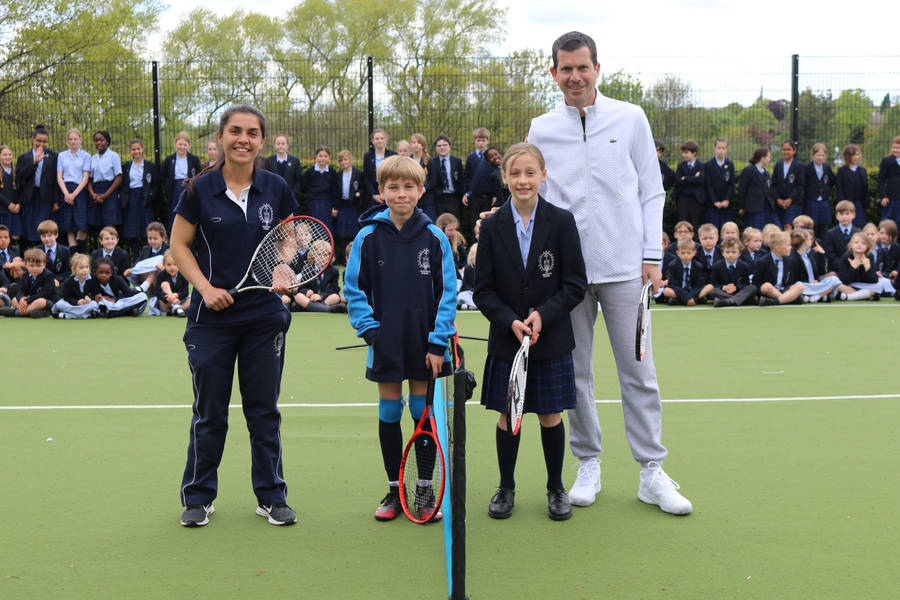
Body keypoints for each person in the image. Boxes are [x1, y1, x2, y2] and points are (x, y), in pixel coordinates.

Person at [527, 31, 691, 515]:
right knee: (574, 374)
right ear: (553, 72)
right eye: (565, 68)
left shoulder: (631, 117)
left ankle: (651, 472)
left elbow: (651, 190)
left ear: (598, 68)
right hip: (567, 277)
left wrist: (651, 256)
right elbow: (535, 198)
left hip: (626, 270)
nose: (574, 76)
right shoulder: (542, 128)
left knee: (639, 371)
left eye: (582, 67)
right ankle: (589, 462)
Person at [170, 104, 299, 528]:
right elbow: (179, 247)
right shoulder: (198, 189)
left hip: (264, 316)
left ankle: (272, 495)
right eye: (235, 131)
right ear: (222, 137)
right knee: (210, 412)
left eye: (252, 133)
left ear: (262, 141)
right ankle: (198, 496)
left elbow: (289, 239)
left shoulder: (277, 187)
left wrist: (284, 265)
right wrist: (205, 289)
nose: (243, 139)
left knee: (264, 411)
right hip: (211, 322)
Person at [473, 142, 586, 521]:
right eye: (515, 173)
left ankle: (556, 488)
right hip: (508, 340)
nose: (523, 180)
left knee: (550, 414)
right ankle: (506, 487)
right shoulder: (490, 226)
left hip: (550, 338)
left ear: (543, 175)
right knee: (509, 415)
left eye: (530, 172)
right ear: (504, 178)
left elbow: (574, 284)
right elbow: (483, 290)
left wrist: (542, 315)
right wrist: (510, 321)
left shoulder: (563, 221)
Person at [343, 155, 456, 522]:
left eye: (409, 187)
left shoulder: (435, 237)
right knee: (390, 410)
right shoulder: (368, 237)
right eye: (393, 187)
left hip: (425, 347)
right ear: (381, 192)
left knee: (421, 412)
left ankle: (424, 488)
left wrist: (438, 343)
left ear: (421, 191)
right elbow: (354, 289)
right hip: (386, 343)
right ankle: (395, 489)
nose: (401, 193)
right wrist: (370, 331)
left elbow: (448, 294)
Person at [16, 125, 58, 244]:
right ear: (33, 139)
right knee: (28, 226)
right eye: (39, 141)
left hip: (45, 197)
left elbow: (56, 179)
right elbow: (20, 175)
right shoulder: (24, 157)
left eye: (44, 142)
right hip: (29, 196)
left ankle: (42, 253)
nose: (41, 144)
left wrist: (56, 201)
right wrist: (34, 161)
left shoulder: (53, 156)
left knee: (43, 226)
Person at [121, 138, 159, 259]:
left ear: (142, 149)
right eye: (133, 149)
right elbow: (123, 184)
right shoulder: (126, 166)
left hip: (145, 199)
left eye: (138, 148)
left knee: (145, 230)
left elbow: (156, 184)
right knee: (133, 231)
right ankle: (136, 258)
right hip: (131, 199)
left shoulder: (150, 166)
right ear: (130, 151)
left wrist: (150, 196)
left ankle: (146, 258)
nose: (136, 151)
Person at [55, 128, 91, 252]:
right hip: (65, 191)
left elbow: (85, 177)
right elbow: (59, 176)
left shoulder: (86, 156)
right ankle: (74, 258)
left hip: (79, 191)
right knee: (69, 226)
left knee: (81, 225)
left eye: (75, 139)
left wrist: (74, 194)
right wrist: (66, 194)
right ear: (67, 141)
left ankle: (82, 255)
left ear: (80, 140)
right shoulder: (61, 155)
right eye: (70, 139)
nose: (73, 141)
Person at [284, 239, 344, 313]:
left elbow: (334, 289)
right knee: (299, 296)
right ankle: (327, 309)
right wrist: (307, 292)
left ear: (330, 257)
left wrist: (321, 296)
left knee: (336, 297)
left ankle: (311, 308)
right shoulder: (307, 269)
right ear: (313, 255)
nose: (322, 258)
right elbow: (301, 288)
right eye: (319, 254)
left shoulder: (333, 270)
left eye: (325, 255)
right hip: (309, 299)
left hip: (324, 298)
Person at [160, 131, 201, 230]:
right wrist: (168, 185)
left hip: (188, 188)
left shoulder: (194, 159)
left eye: (184, 145)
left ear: (189, 145)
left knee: (188, 211)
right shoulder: (169, 159)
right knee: (174, 212)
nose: (182, 147)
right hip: (174, 189)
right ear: (175, 144)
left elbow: (199, 175)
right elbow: (162, 176)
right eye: (180, 144)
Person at [790, 228, 842, 303]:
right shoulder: (792, 257)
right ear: (804, 241)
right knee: (799, 285)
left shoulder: (811, 254)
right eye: (809, 238)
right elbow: (793, 279)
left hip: (815, 285)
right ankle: (817, 296)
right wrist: (809, 283)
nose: (812, 240)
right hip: (804, 286)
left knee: (834, 279)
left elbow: (821, 272)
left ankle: (816, 297)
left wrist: (822, 254)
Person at [756, 231, 805, 306]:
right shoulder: (763, 261)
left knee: (800, 286)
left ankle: (776, 302)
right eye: (788, 245)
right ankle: (788, 299)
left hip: (784, 290)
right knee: (766, 286)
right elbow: (756, 282)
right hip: (771, 291)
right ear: (778, 248)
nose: (790, 247)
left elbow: (792, 281)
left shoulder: (790, 261)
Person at [87, 130, 123, 231]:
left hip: (110, 191)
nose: (98, 142)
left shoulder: (114, 156)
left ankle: (112, 245)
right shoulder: (93, 158)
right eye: (96, 140)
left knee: (110, 223)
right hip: (96, 191)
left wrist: (106, 195)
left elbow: (119, 177)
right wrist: (93, 194)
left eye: (101, 140)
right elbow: (89, 179)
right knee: (97, 223)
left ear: (107, 141)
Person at [333, 149, 363, 265]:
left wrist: (359, 193)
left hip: (353, 206)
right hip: (342, 206)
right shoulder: (338, 175)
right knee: (341, 233)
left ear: (350, 160)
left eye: (345, 159)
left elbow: (362, 188)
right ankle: (342, 258)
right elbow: (335, 192)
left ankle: (352, 256)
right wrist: (335, 207)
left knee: (352, 233)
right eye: (341, 160)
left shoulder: (358, 173)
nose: (344, 162)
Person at [707, 238, 757, 307]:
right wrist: (724, 287)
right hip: (723, 292)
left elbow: (746, 284)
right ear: (723, 253)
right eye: (727, 252)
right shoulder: (717, 266)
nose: (730, 255)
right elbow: (714, 284)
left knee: (753, 288)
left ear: (739, 253)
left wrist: (736, 287)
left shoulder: (744, 266)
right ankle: (737, 300)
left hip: (738, 292)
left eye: (734, 252)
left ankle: (728, 301)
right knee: (712, 290)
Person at [8, 248, 57, 317]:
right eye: (31, 265)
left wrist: (27, 300)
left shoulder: (48, 275)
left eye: (38, 266)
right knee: (14, 300)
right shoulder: (25, 275)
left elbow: (45, 294)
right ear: (26, 265)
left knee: (40, 301)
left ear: (44, 265)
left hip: (48, 301)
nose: (35, 269)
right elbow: (21, 290)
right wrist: (21, 298)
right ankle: (31, 311)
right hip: (31, 301)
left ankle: (18, 313)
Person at [51, 252, 100, 319]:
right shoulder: (69, 281)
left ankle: (67, 315)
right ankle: (85, 315)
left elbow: (95, 293)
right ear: (74, 269)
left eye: (86, 267)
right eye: (81, 268)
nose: (85, 270)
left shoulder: (93, 279)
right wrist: (77, 302)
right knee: (60, 304)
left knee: (94, 304)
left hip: (86, 305)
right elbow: (67, 297)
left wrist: (90, 299)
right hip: (73, 305)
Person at [737, 148, 776, 230]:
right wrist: (741, 206)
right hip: (754, 208)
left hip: (766, 207)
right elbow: (742, 189)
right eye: (768, 157)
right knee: (755, 230)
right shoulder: (748, 170)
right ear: (762, 158)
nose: (769, 159)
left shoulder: (766, 172)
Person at [660, 238, 708, 306]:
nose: (685, 255)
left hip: (693, 290)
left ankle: (680, 301)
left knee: (709, 287)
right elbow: (672, 285)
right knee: (666, 291)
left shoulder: (698, 266)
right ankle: (694, 300)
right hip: (679, 290)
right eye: (683, 253)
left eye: (688, 253)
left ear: (694, 253)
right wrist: (687, 297)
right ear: (678, 253)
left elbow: (699, 285)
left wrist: (690, 297)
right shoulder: (672, 265)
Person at [301, 145, 338, 233]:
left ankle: (328, 246)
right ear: (316, 157)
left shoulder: (332, 172)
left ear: (329, 158)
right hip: (313, 204)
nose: (323, 158)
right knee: (314, 228)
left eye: (325, 156)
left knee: (326, 229)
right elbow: (303, 187)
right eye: (320, 156)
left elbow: (335, 191)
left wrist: (335, 207)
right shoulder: (309, 171)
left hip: (327, 205)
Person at [427, 135, 464, 220]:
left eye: (445, 145)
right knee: (440, 222)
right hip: (439, 197)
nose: (442, 147)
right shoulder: (431, 162)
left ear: (450, 147)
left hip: (454, 197)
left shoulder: (457, 161)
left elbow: (461, 179)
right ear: (435, 148)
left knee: (455, 221)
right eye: (439, 145)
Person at [672, 140, 706, 232]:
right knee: (683, 222)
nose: (684, 155)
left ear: (694, 153)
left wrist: (686, 178)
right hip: (682, 198)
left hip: (696, 199)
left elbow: (701, 180)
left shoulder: (701, 165)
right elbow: (678, 180)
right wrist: (693, 178)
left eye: (686, 153)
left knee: (695, 223)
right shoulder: (681, 165)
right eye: (683, 152)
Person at [803, 143, 836, 238]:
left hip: (823, 201)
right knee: (812, 226)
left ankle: (822, 248)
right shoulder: (807, 167)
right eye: (818, 155)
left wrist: (826, 190)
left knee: (823, 227)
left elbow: (832, 180)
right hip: (811, 201)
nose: (820, 158)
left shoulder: (826, 167)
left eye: (822, 155)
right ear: (813, 155)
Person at [772, 140, 805, 230]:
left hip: (793, 203)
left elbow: (800, 185)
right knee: (779, 227)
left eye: (788, 149)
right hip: (779, 204)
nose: (785, 152)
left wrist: (790, 199)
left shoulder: (799, 165)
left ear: (794, 151)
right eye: (784, 149)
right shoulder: (778, 165)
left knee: (789, 226)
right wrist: (778, 199)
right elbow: (773, 184)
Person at [264, 134, 303, 207]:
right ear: (274, 146)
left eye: (283, 143)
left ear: (287, 145)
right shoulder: (269, 161)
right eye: (278, 143)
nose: (280, 146)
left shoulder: (295, 161)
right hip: (274, 198)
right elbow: (267, 180)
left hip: (291, 198)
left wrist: (292, 194)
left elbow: (299, 180)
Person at [835, 144, 869, 228]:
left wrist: (867, 205)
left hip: (859, 204)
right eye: (853, 155)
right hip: (846, 204)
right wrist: (842, 204)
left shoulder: (862, 170)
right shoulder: (841, 171)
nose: (856, 157)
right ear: (848, 156)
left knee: (859, 227)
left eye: (857, 155)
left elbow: (865, 189)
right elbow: (839, 189)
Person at [704, 138, 735, 229]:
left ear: (727, 149)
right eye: (719, 148)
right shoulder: (709, 165)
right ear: (715, 149)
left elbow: (731, 184)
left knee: (726, 228)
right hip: (713, 204)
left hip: (726, 205)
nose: (721, 151)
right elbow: (708, 184)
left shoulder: (730, 164)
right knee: (713, 227)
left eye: (724, 148)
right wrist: (715, 201)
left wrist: (727, 199)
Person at [362, 128, 396, 209]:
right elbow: (366, 177)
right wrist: (374, 194)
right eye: (377, 138)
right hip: (373, 196)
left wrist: (386, 193)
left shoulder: (393, 155)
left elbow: (395, 175)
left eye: (382, 138)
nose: (379, 140)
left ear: (386, 140)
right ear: (372, 141)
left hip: (390, 193)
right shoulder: (367, 156)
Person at [822, 200, 860, 272]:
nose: (844, 217)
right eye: (841, 214)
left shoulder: (859, 233)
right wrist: (842, 267)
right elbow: (830, 254)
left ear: (854, 215)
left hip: (855, 270)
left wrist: (853, 266)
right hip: (836, 271)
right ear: (836, 215)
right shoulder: (831, 233)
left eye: (847, 214)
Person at [462, 127, 491, 214]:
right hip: (474, 196)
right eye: (478, 140)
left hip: (489, 196)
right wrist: (465, 193)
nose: (481, 143)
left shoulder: (492, 156)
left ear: (488, 141)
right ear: (475, 141)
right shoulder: (470, 158)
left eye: (483, 140)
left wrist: (496, 195)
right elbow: (467, 177)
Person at [156, 249, 189, 316]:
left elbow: (185, 291)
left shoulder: (183, 275)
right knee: (164, 284)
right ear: (164, 265)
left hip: (179, 301)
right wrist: (168, 297)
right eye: (168, 265)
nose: (172, 267)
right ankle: (175, 308)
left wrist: (176, 295)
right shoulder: (161, 275)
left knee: (191, 299)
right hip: (166, 302)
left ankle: (178, 308)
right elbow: (157, 291)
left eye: (175, 264)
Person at [0, 145, 23, 242]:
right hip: (2, 210)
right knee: (3, 237)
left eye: (9, 154)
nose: (8, 157)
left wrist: (19, 204)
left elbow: (21, 190)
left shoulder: (16, 171)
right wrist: (8, 204)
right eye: (4, 155)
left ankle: (14, 256)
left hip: (15, 210)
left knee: (15, 236)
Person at [37, 219, 70, 284]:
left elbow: (68, 271)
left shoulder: (65, 251)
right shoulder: (37, 250)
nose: (47, 239)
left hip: (59, 283)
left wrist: (57, 280)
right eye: (43, 236)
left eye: (49, 235)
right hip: (42, 283)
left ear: (56, 235)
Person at [877, 136, 900, 223]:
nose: (895, 150)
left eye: (898, 148)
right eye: (893, 147)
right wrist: (884, 196)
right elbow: (880, 180)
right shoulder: (886, 161)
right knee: (888, 225)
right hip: (891, 200)